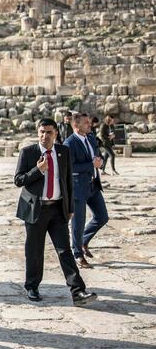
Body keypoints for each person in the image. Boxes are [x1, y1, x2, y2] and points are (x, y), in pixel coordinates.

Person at [13, 118, 97, 306]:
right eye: (41, 132)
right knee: (34, 251)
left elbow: (68, 182)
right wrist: (38, 170)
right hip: (36, 209)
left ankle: (78, 291)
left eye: (49, 132)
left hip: (58, 209)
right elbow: (18, 180)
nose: (44, 136)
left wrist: (70, 208)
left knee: (64, 250)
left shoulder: (63, 152)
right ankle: (32, 286)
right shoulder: (28, 152)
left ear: (56, 134)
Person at [64, 113, 108, 269]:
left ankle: (83, 241)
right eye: (86, 123)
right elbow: (70, 168)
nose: (90, 125)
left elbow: (98, 156)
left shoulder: (90, 137)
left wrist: (100, 162)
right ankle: (77, 254)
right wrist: (92, 165)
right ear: (76, 125)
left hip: (93, 185)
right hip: (78, 188)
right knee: (78, 223)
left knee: (102, 217)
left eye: (89, 122)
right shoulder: (69, 144)